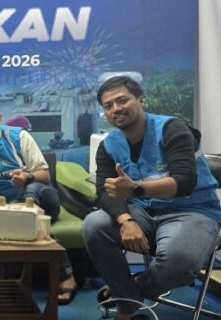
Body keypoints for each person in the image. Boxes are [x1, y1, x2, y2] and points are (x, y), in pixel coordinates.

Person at [82, 76, 221, 320]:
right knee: (94, 224)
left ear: (140, 100)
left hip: (192, 211)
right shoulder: (109, 145)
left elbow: (185, 182)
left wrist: (135, 188)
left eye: (122, 100)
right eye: (108, 105)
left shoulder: (172, 129)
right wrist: (125, 220)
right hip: (142, 212)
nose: (116, 108)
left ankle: (129, 294)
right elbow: (105, 192)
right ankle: (128, 303)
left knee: (179, 260)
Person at [0, 95, 78, 304]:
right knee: (23, 219)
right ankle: (64, 275)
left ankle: (52, 274)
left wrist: (27, 176)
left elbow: (44, 175)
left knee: (31, 192)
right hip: (3, 209)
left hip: (42, 198)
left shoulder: (19, 136)